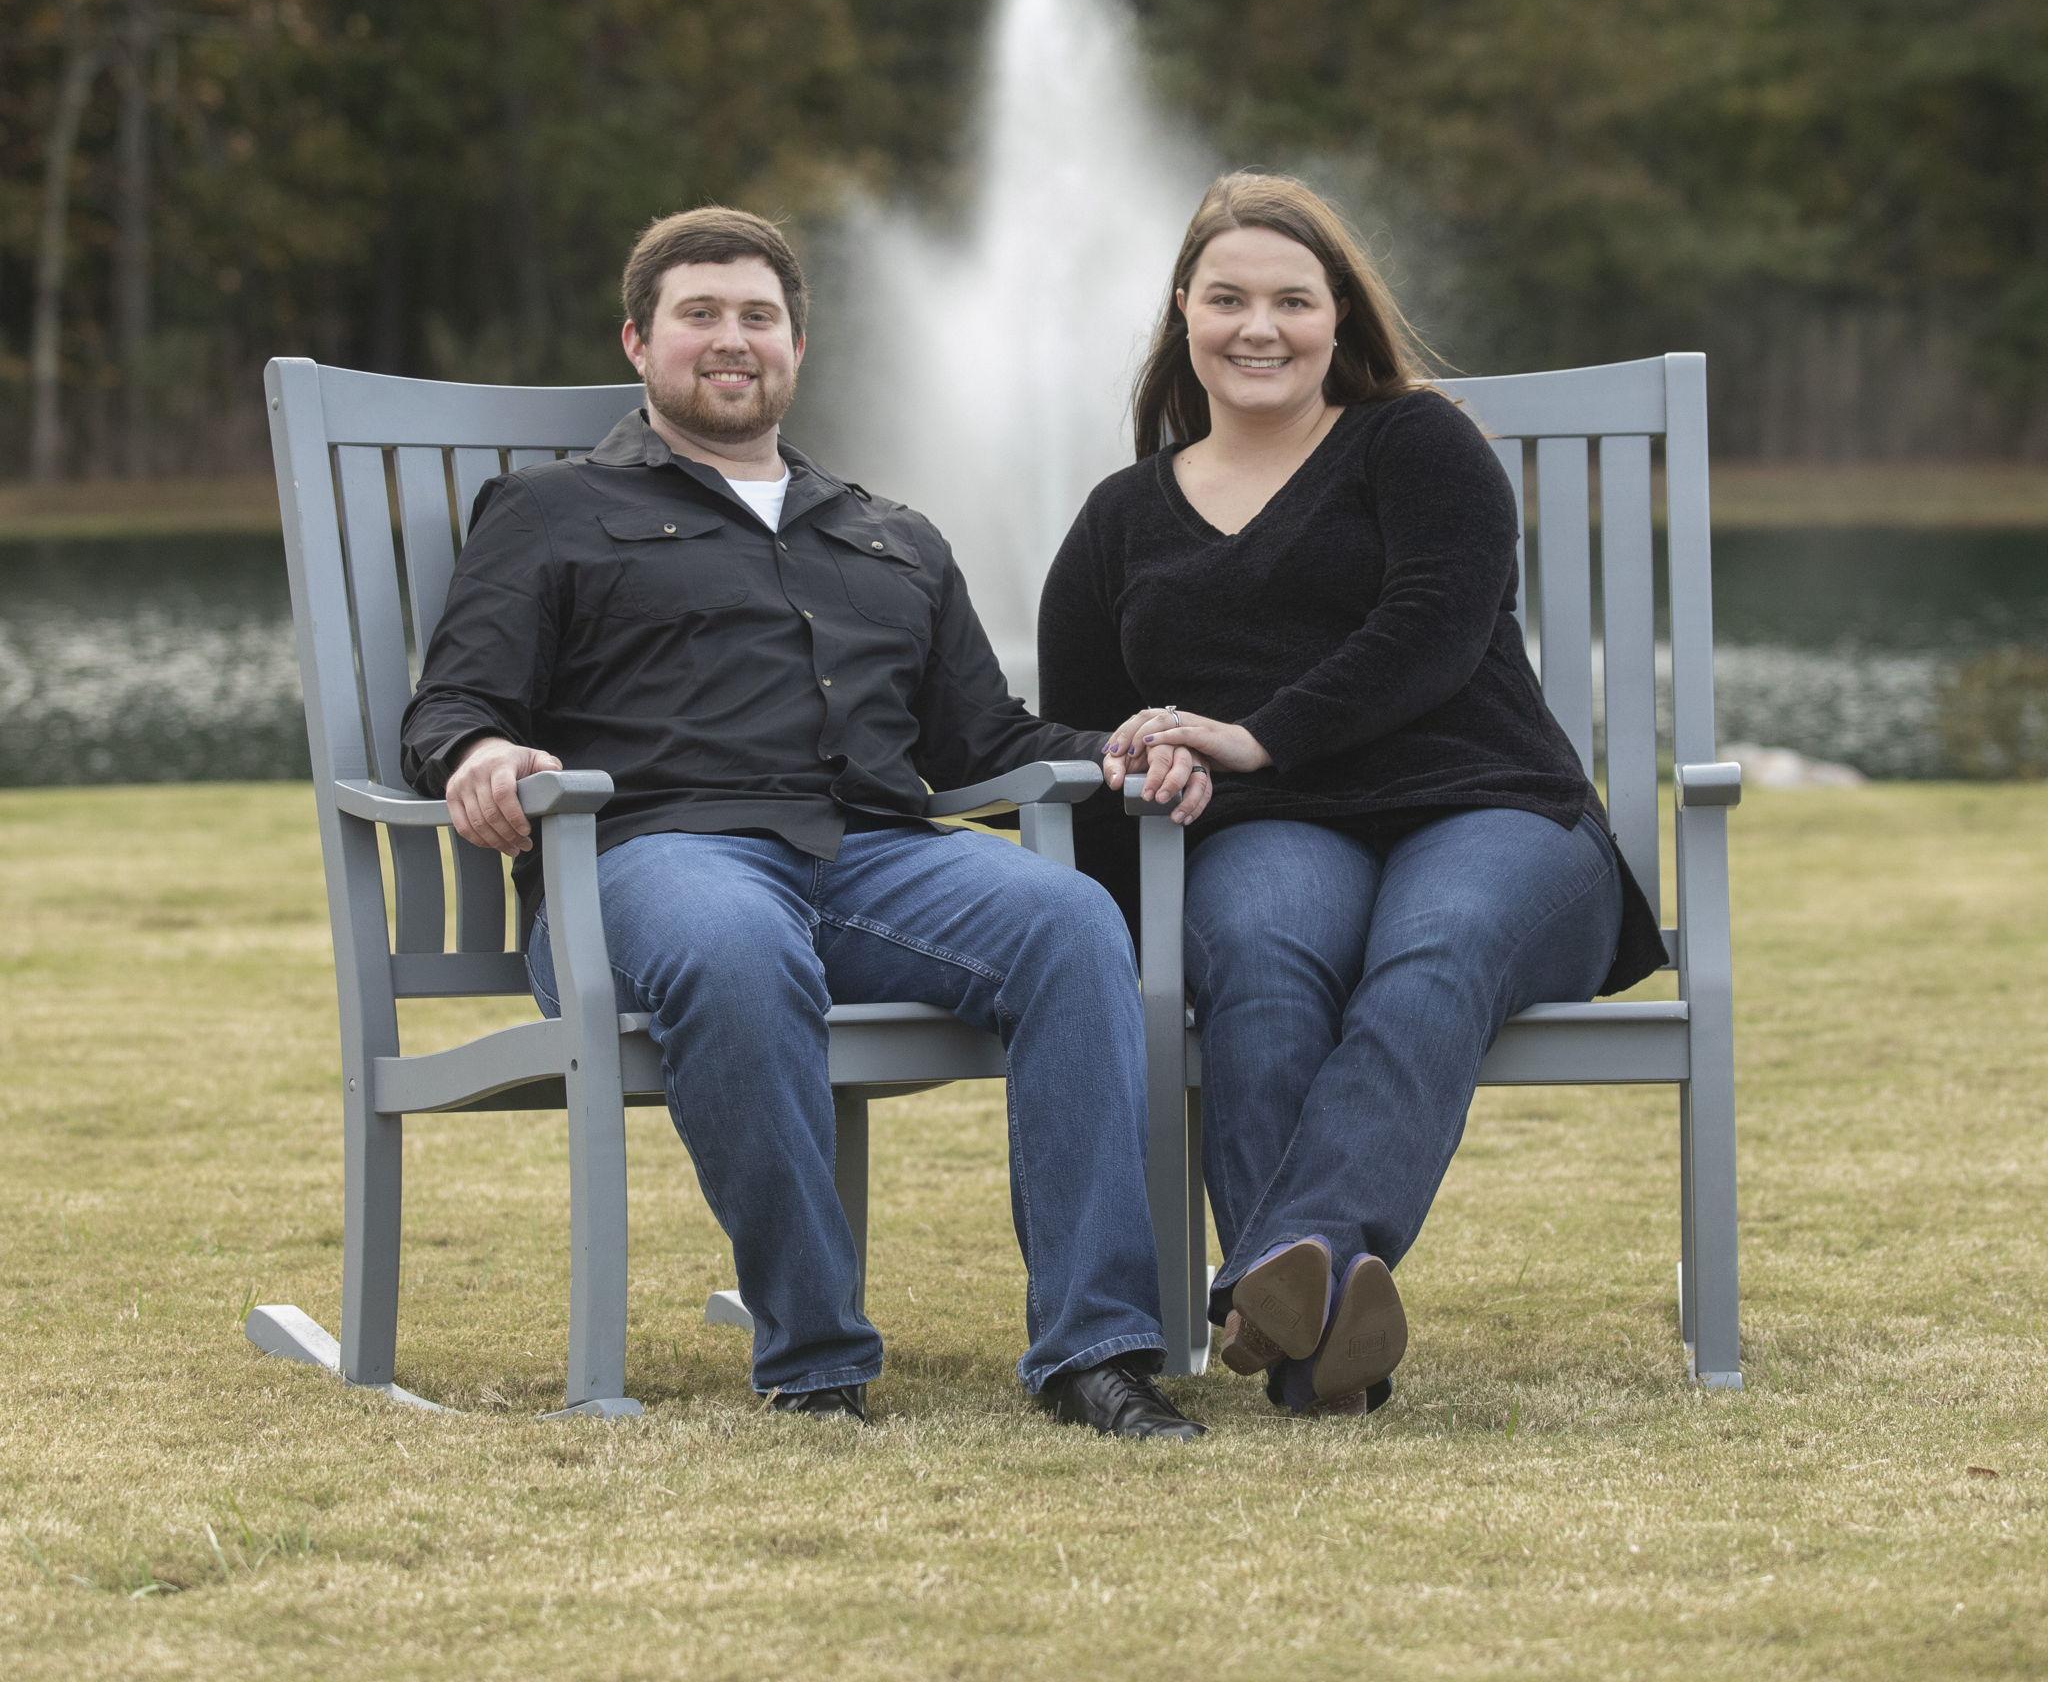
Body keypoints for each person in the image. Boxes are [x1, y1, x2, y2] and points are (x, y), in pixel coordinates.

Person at [400, 205, 1206, 1440]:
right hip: (651, 860)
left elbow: (982, 743)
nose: (733, 338)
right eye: (700, 314)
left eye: (758, 316)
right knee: (736, 942)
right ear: (637, 341)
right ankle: (816, 1356)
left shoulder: (889, 534)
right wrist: (481, 752)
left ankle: (1095, 1350)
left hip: (873, 858)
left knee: (1068, 918)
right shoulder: (552, 509)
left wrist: (1115, 749)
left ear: (796, 345)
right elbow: (453, 700)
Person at [1038, 172, 1665, 1417]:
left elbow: (1428, 630)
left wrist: (1254, 736)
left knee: (1436, 943)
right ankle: (1318, 1352)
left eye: (1291, 299)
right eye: (1227, 298)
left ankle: (1288, 1262)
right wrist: (1141, 767)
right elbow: (1077, 728)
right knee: (1261, 957)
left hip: (1490, 804)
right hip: (1273, 834)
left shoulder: (1416, 442)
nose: (1257, 326)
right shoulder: (1120, 516)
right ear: (1182, 311)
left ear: (1338, 316)